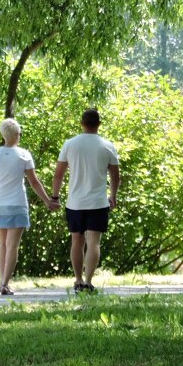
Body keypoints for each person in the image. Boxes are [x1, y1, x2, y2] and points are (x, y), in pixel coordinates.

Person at [0, 118, 59, 295]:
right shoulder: (24, 155)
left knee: (3, 243)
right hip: (17, 204)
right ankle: (5, 282)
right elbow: (34, 182)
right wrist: (47, 200)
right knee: (12, 245)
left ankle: (1, 281)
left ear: (3, 135)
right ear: (17, 135)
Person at [51, 108, 121, 293]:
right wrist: (113, 195)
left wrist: (55, 196)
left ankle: (77, 280)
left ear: (82, 123)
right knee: (94, 242)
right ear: (99, 124)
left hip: (75, 202)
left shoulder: (70, 144)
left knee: (77, 240)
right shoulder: (107, 145)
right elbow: (115, 175)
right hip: (98, 202)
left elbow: (58, 174)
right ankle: (89, 282)